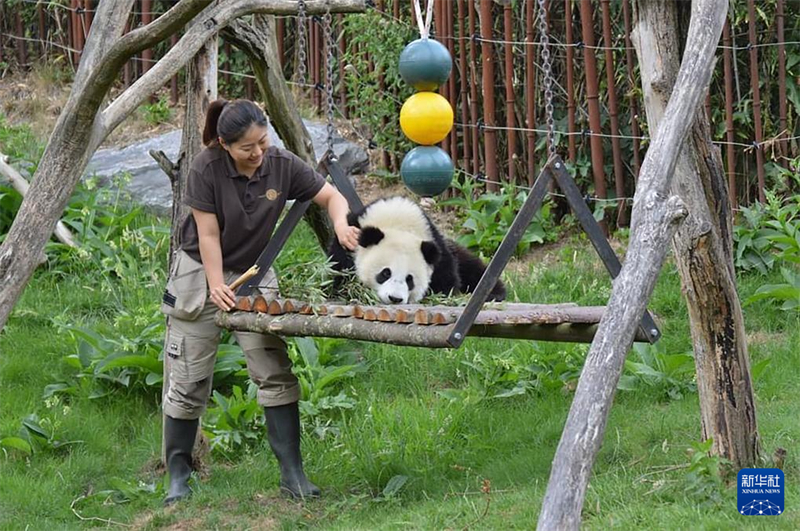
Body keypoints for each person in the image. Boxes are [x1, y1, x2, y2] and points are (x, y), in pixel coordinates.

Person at [159, 99, 359, 505]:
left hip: (255, 271)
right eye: (247, 148)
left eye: (262, 142)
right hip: (200, 272)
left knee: (273, 369)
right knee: (189, 377)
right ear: (224, 145)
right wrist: (217, 285)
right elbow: (208, 236)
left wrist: (340, 223)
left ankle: (293, 475)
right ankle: (178, 475)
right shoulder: (205, 168)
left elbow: (331, 196)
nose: (257, 153)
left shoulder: (281, 164)